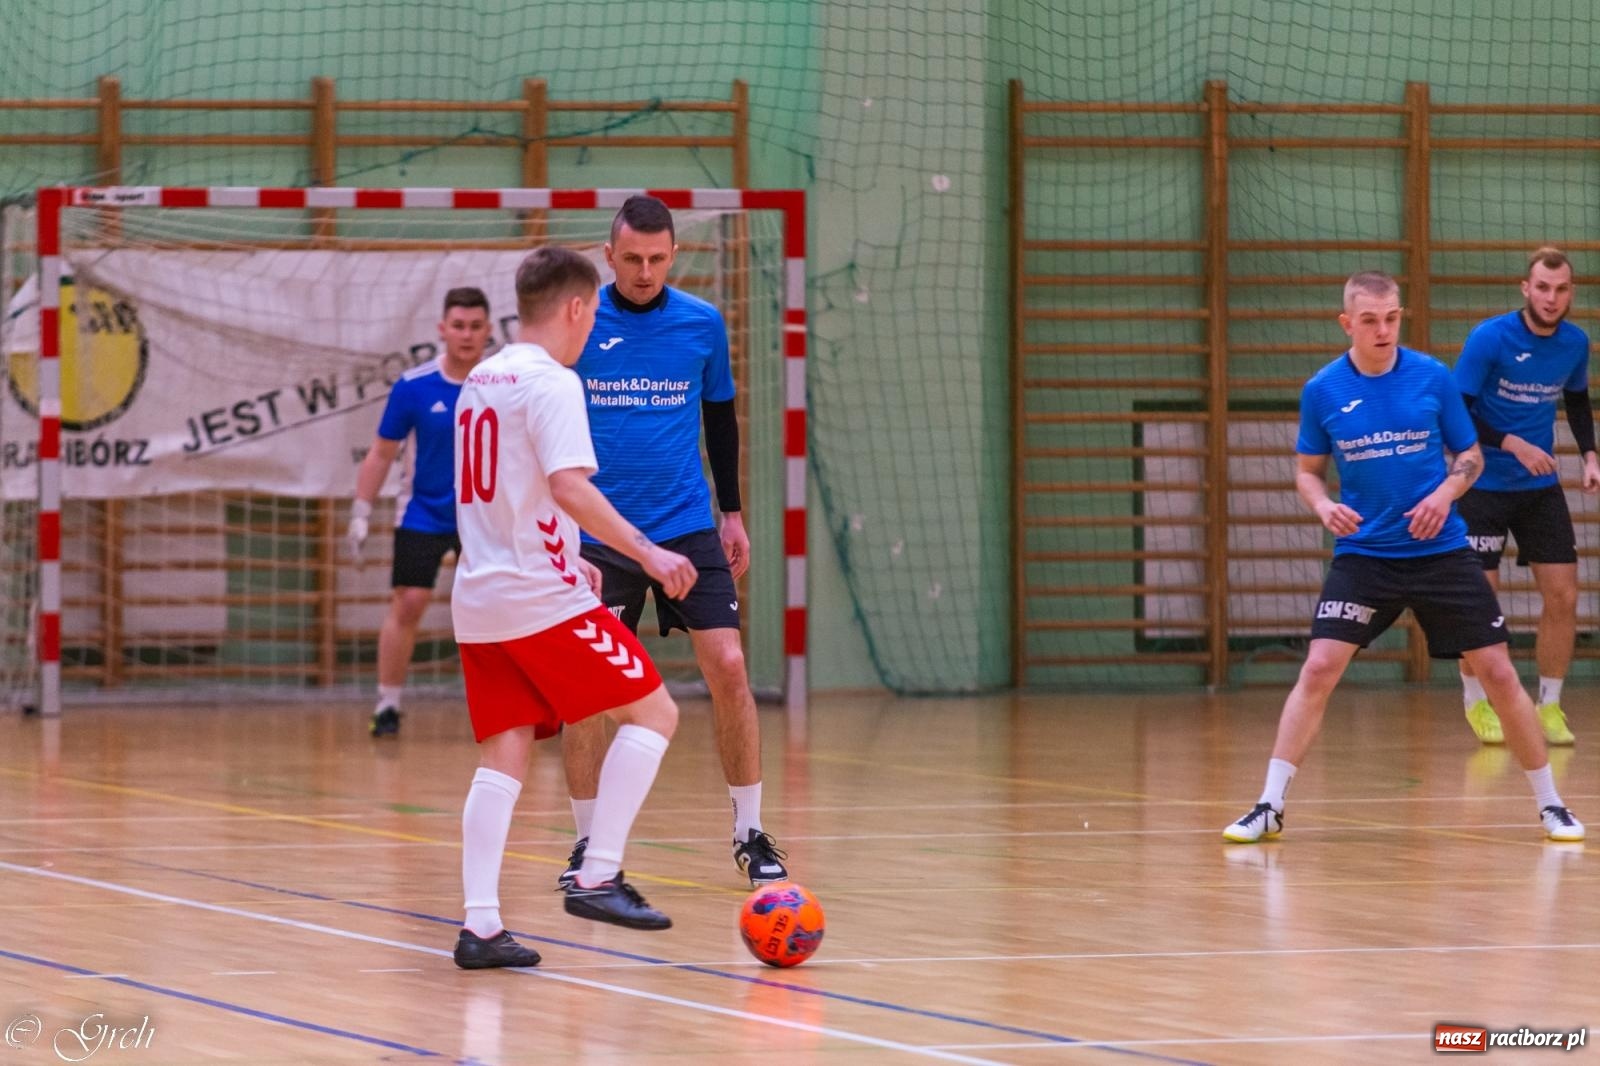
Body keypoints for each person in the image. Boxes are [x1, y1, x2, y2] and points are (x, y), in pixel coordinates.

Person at [1223, 271, 1584, 845]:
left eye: (1391, 317)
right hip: (1366, 554)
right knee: (1318, 669)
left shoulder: (1432, 378)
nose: (1383, 329)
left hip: (1440, 551)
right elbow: (1308, 472)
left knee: (1496, 669)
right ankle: (1269, 804)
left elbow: (1469, 454)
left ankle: (1551, 804)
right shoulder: (1323, 390)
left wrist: (1444, 495)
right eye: (1370, 320)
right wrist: (1322, 507)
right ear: (1348, 323)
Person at [450, 245, 699, 969]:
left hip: (481, 594)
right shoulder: (554, 383)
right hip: (537, 597)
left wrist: (574, 552)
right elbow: (568, 486)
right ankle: (597, 875)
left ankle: (482, 926)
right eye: (594, 313)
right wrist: (648, 553)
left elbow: (508, 489)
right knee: (656, 712)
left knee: (506, 750)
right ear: (577, 308)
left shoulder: (482, 378)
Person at [557, 194, 790, 888]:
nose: (644, 271)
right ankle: (586, 843)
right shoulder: (581, 323)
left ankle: (750, 832)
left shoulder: (702, 324)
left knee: (729, 667)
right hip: (603, 532)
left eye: (657, 259)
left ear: (674, 256)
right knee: (588, 694)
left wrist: (734, 514)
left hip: (687, 526)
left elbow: (720, 421)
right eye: (632, 258)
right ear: (609, 255)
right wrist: (564, 534)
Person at [1452, 246, 1597, 747]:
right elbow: (1457, 413)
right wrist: (1512, 443)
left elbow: (1576, 399)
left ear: (1570, 293)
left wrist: (1591, 454)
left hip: (1538, 488)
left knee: (1564, 595)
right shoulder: (1489, 338)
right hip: (1481, 485)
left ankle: (1550, 704)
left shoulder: (1576, 343)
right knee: (1480, 602)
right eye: (1542, 288)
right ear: (1525, 289)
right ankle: (1476, 701)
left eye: (1560, 290)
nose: (1551, 298)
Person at [348, 288, 493, 738]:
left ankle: (519, 702)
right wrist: (360, 510)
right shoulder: (414, 386)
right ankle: (388, 704)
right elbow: (380, 452)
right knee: (408, 602)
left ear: (488, 330)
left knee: (498, 606)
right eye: (459, 326)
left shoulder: (502, 381)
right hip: (424, 513)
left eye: (475, 326)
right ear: (442, 329)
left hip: (484, 514)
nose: (466, 335)